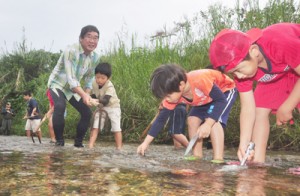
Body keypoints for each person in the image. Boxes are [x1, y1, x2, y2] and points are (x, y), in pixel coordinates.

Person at [209, 22, 300, 163]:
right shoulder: (243, 72)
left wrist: (288, 105)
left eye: (239, 70)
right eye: (233, 73)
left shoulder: (279, 43)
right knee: (259, 109)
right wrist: (244, 142)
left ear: (254, 51)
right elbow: (247, 108)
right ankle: (257, 162)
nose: (238, 76)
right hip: (279, 72)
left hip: (295, 61)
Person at [137, 64, 237, 161]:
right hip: (204, 99)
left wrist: (208, 124)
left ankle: (218, 158)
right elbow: (160, 120)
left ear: (181, 85)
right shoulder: (173, 96)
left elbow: (221, 100)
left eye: (168, 96)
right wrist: (146, 143)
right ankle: (197, 155)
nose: (166, 99)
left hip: (224, 92)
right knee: (192, 119)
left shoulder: (199, 80)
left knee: (213, 121)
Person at [47, 25, 101, 147]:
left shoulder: (95, 57)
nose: (92, 41)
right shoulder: (71, 51)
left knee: (87, 113)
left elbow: (89, 78)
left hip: (72, 89)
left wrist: (86, 95)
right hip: (57, 85)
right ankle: (59, 143)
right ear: (81, 39)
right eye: (89, 37)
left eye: (96, 38)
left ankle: (78, 144)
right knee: (60, 106)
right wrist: (83, 95)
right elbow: (71, 79)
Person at [89, 62, 122, 150]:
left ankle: (119, 148)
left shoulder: (109, 86)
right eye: (97, 77)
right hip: (101, 107)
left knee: (116, 128)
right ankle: (90, 146)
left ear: (108, 78)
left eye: (102, 78)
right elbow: (94, 96)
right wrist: (89, 98)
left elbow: (106, 101)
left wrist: (94, 100)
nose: (99, 80)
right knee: (95, 126)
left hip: (113, 107)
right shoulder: (94, 83)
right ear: (95, 76)